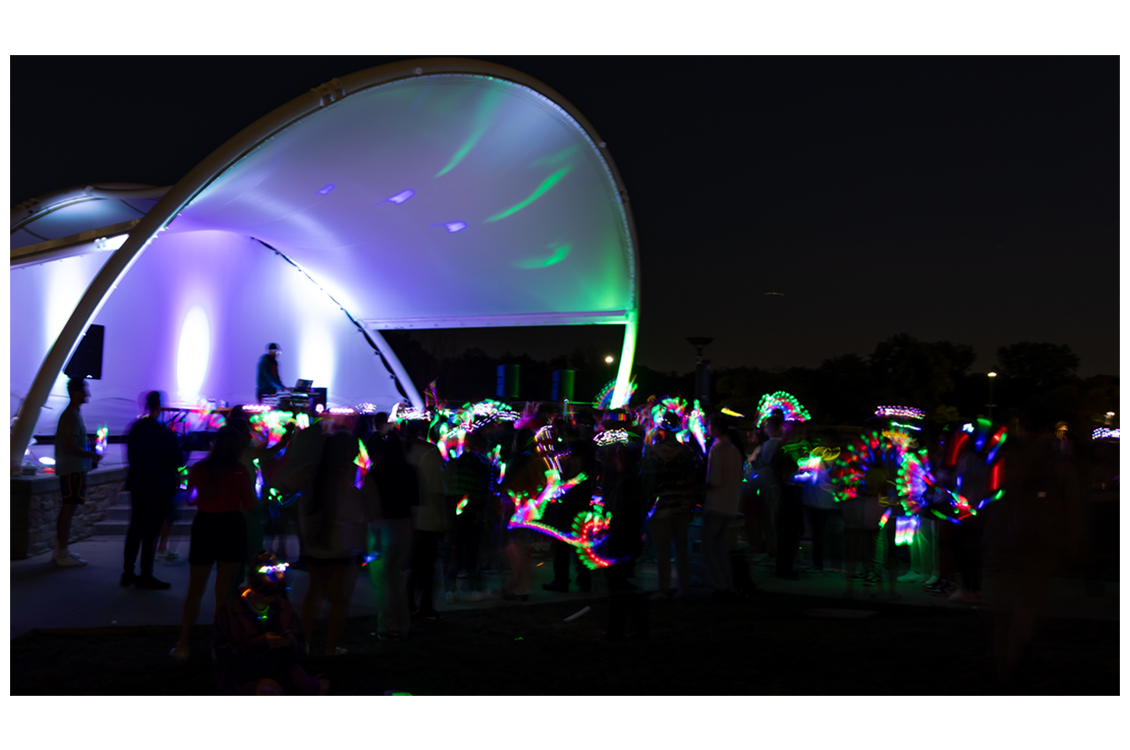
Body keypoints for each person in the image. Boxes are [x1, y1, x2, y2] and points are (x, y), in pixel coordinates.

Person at [172, 426, 256, 660]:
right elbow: (250, 504)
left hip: (205, 526)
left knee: (194, 591)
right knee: (224, 592)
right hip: (231, 525)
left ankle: (183, 644)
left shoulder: (199, 469)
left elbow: (190, 500)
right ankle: (218, 645)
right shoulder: (240, 471)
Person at [212, 551, 328, 695]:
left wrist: (288, 642)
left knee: (316, 688)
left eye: (275, 595)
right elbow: (224, 655)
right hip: (244, 673)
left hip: (279, 667)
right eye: (265, 595)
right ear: (253, 587)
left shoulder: (282, 606)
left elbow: (299, 644)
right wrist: (261, 643)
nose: (270, 600)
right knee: (268, 691)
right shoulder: (231, 611)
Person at [296, 431, 369, 655]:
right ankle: (330, 648)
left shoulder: (312, 470)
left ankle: (304, 643)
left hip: (317, 544)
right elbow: (367, 511)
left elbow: (280, 487)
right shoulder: (357, 474)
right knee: (340, 598)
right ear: (348, 452)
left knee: (314, 593)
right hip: (346, 545)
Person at [122, 391, 185, 589]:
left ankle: (128, 572)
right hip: (159, 486)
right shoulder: (161, 431)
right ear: (159, 406)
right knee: (151, 532)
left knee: (135, 529)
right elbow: (177, 458)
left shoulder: (135, 428)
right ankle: (146, 574)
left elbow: (131, 456)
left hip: (138, 484)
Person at [641, 411, 700, 600]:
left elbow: (647, 482)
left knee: (662, 552)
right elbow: (691, 481)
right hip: (681, 506)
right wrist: (691, 504)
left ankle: (664, 589)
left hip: (660, 509)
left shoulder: (651, 452)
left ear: (661, 429)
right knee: (682, 551)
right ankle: (683, 588)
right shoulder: (687, 452)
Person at [365, 432, 415, 640]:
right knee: (398, 579)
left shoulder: (375, 472)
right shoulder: (411, 471)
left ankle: (386, 626)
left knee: (381, 580)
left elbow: (368, 502)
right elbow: (416, 503)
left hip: (381, 526)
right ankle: (403, 625)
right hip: (405, 525)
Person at [53, 378, 102, 567]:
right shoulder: (72, 415)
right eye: (85, 390)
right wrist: (92, 455)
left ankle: (60, 549)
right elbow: (69, 446)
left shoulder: (72, 414)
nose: (88, 394)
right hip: (73, 470)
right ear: (76, 393)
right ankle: (62, 553)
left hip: (72, 469)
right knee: (69, 508)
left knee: (69, 508)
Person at [402, 418, 448, 619]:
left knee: (411, 564)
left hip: (407, 516)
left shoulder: (403, 452)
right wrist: (445, 518)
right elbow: (438, 490)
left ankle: (408, 603)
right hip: (428, 517)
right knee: (427, 566)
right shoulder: (431, 453)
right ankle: (425, 606)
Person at [702, 413, 743, 596]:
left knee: (709, 546)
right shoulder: (735, 450)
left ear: (716, 429)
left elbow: (715, 480)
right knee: (723, 547)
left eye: (709, 426)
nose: (706, 430)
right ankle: (729, 583)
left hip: (716, 504)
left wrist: (700, 487)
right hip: (731, 505)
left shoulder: (717, 449)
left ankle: (718, 584)